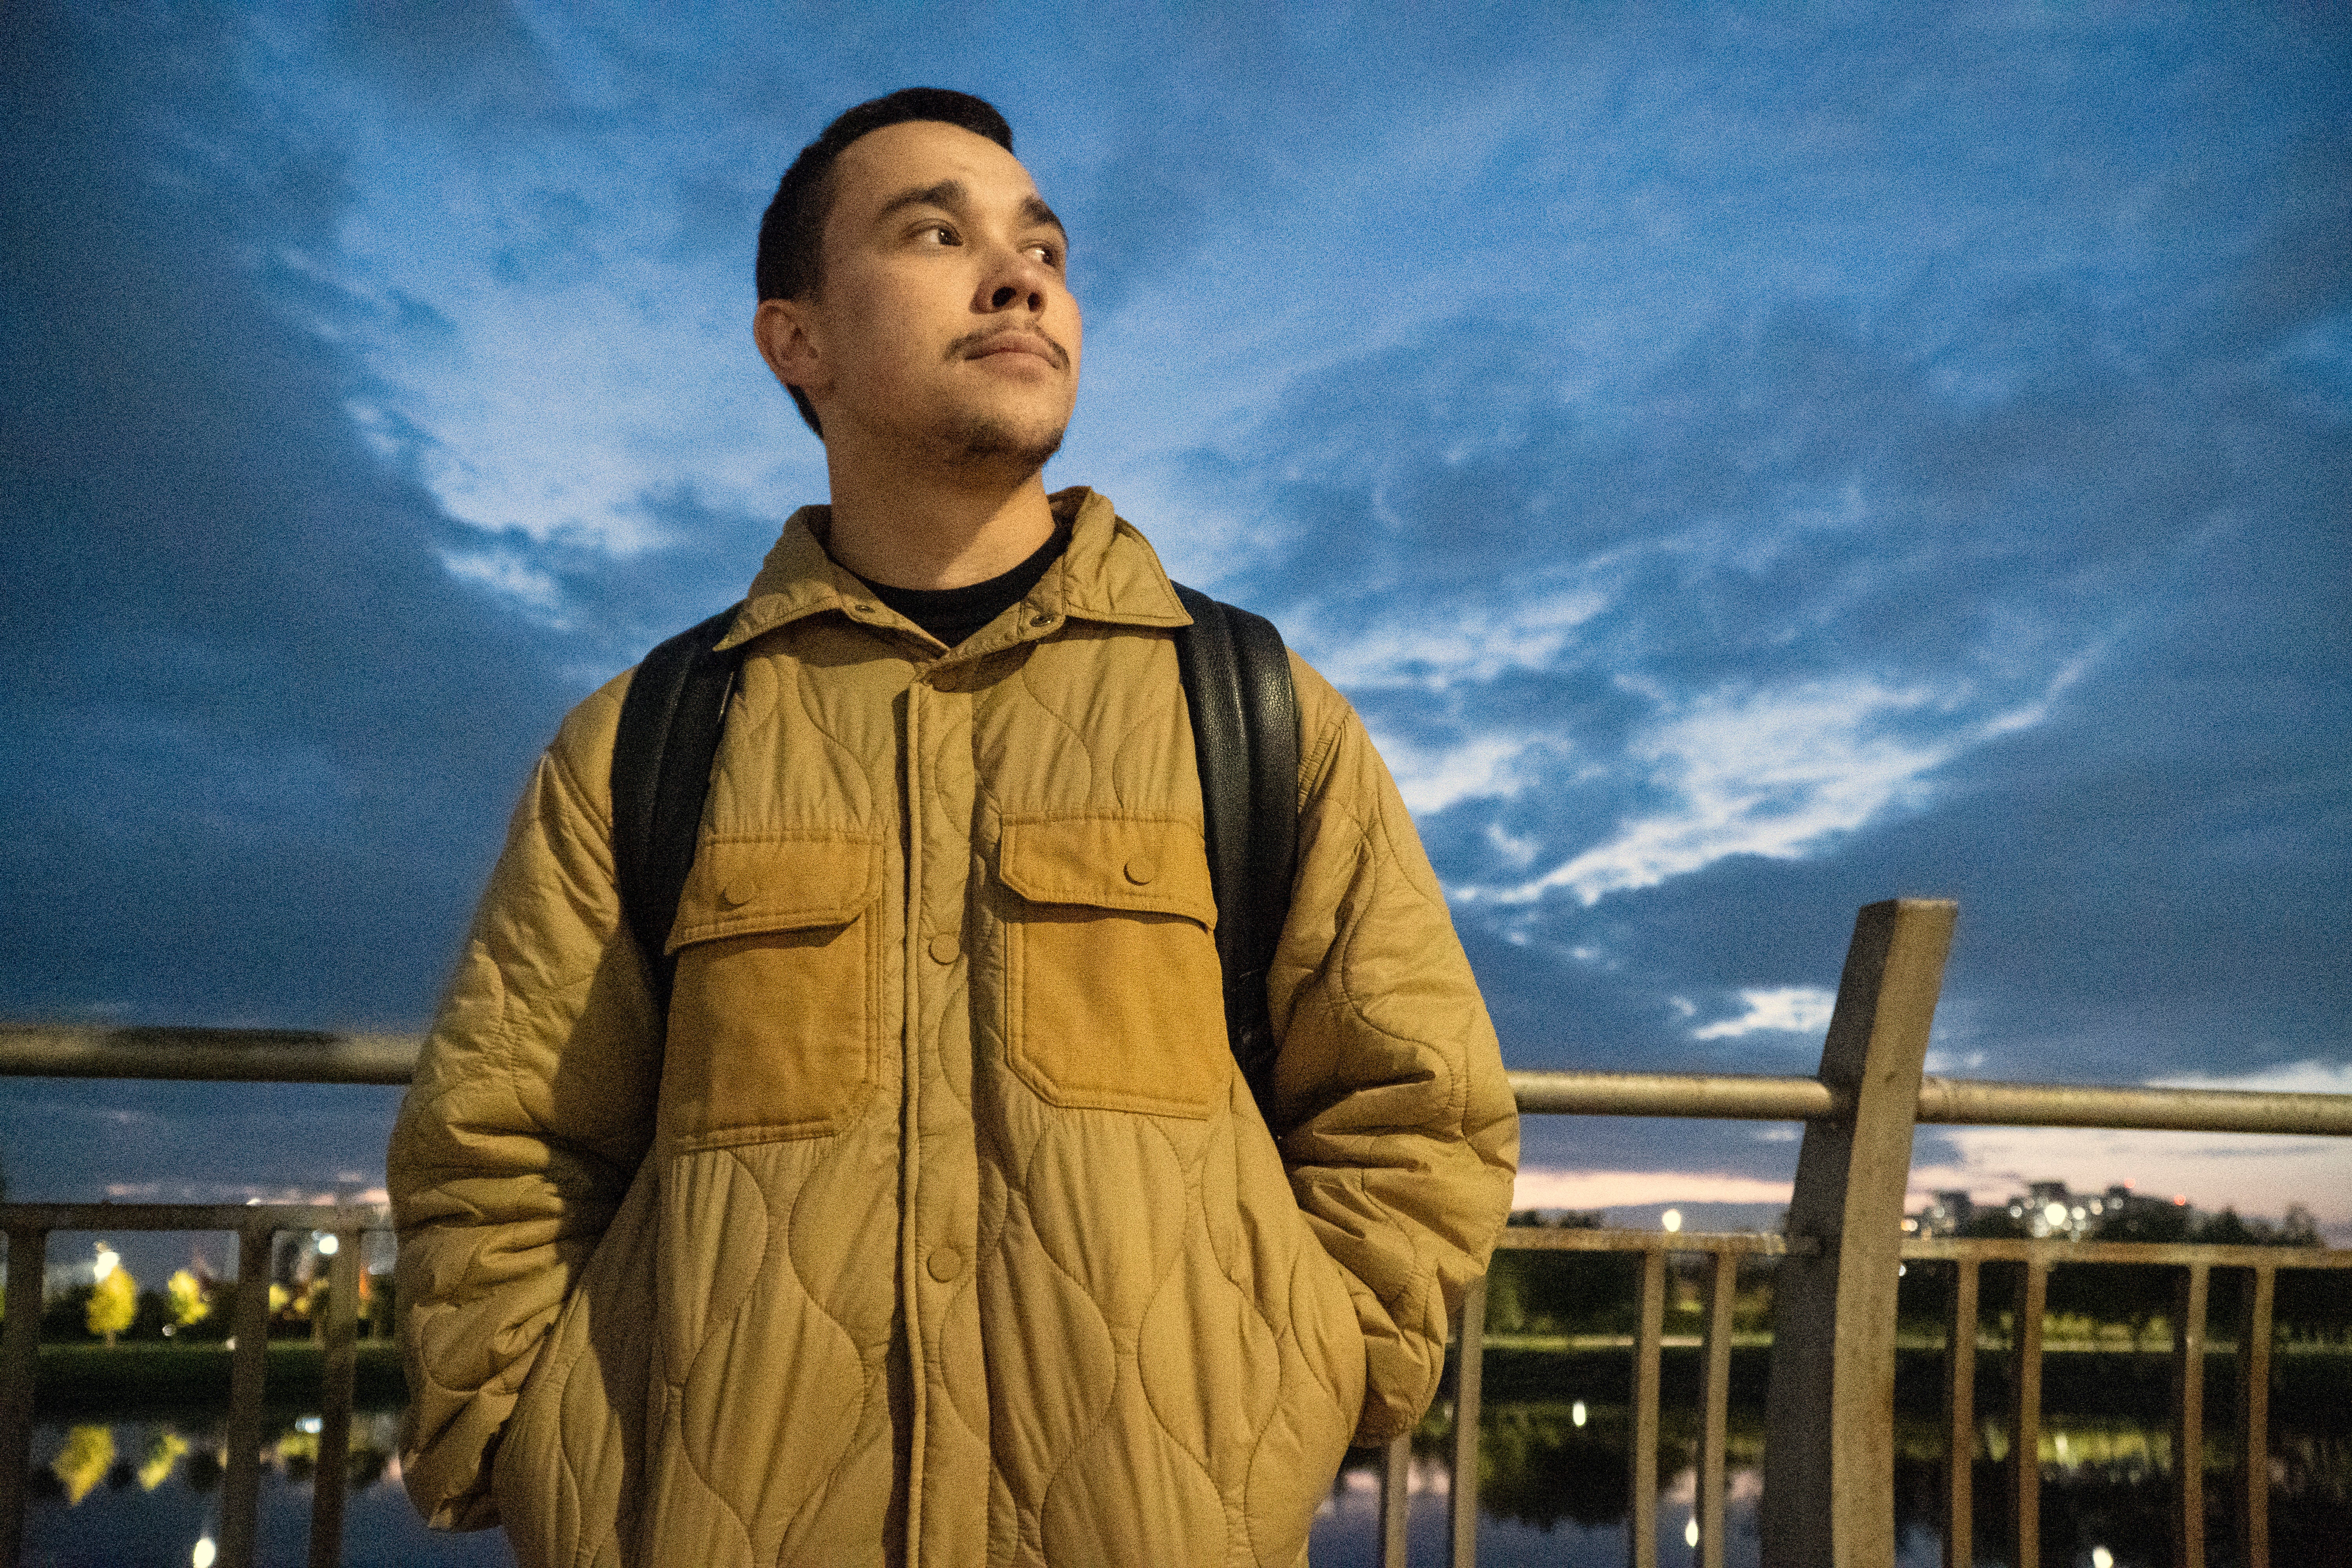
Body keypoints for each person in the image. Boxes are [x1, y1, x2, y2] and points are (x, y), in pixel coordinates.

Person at [389, 87, 1517, 1568]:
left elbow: (1420, 1107)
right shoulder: (648, 739)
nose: (1020, 274)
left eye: (1040, 244)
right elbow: (501, 1146)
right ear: (796, 340)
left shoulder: (1250, 707)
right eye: (936, 232)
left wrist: (1299, 1384)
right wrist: (554, 1462)